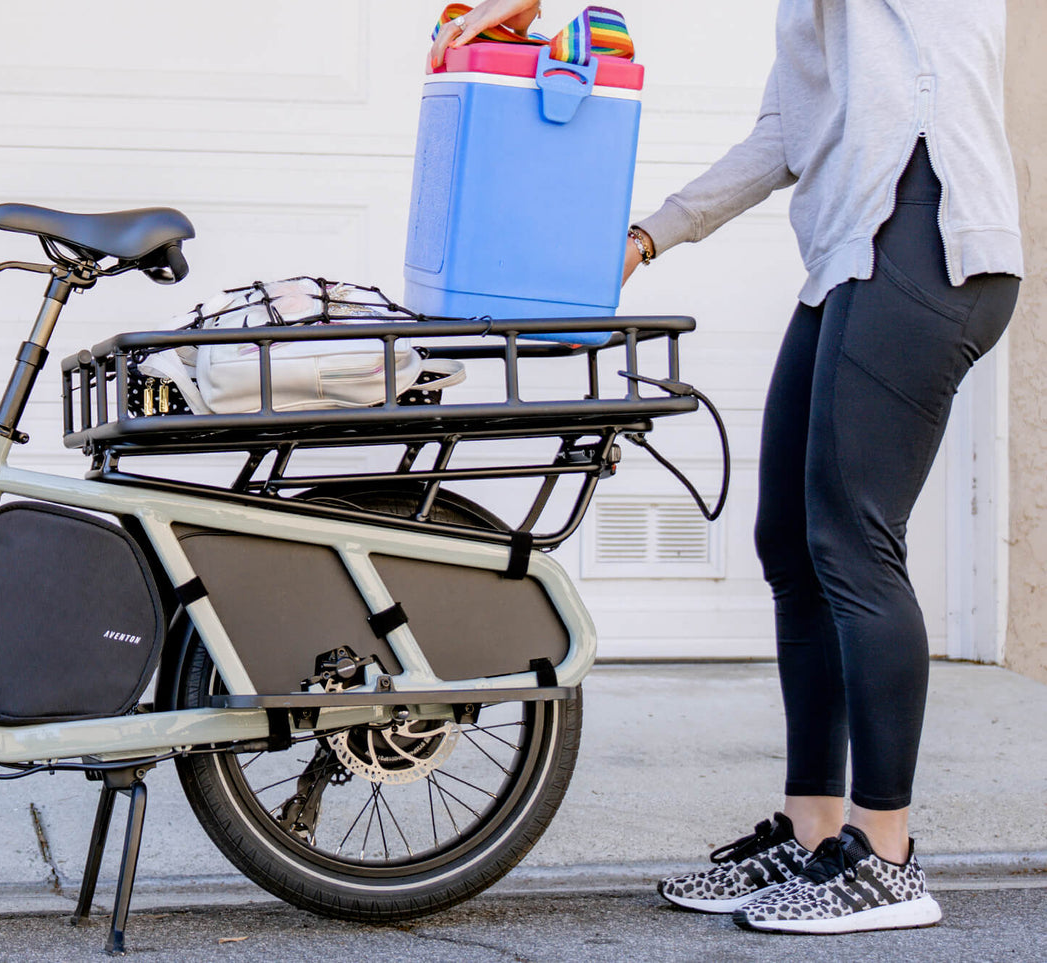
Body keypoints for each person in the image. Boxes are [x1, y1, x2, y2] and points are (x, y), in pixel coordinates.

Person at [432, 0, 1022, 934]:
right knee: (790, 543)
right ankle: (815, 827)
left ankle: (886, 854)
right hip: (850, 253)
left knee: (855, 543)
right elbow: (780, 138)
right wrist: (645, 237)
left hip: (928, 233)